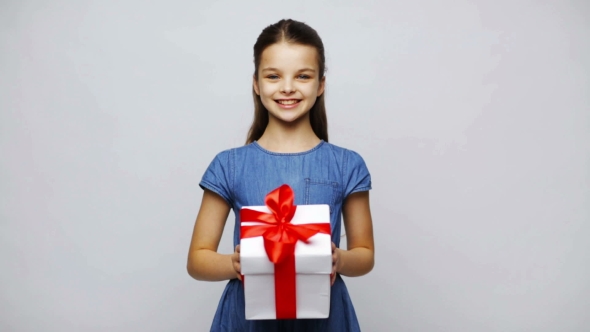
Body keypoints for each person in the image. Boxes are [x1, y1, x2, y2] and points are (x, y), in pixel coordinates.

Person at [187, 18, 374, 332]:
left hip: (325, 319)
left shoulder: (346, 164)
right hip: (246, 318)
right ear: (257, 84)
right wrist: (233, 263)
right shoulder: (228, 165)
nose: (288, 87)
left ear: (321, 84)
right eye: (273, 76)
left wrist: (337, 258)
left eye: (303, 76)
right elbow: (197, 259)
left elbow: (365, 255)